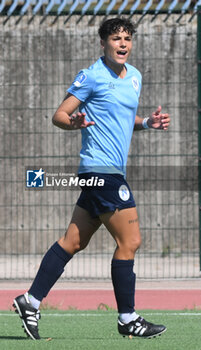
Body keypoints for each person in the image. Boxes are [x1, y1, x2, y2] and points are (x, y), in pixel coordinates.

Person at [13, 17, 170, 340]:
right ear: (103, 43)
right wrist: (74, 123)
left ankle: (30, 300)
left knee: (73, 241)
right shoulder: (92, 76)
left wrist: (146, 124)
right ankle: (127, 317)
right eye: (116, 39)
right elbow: (59, 114)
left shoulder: (135, 77)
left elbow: (123, 118)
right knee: (131, 241)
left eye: (127, 38)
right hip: (101, 171)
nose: (123, 44)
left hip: (107, 172)